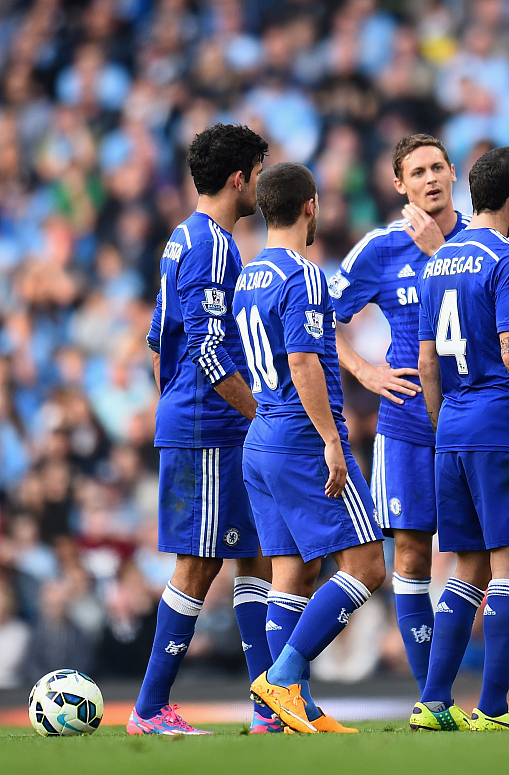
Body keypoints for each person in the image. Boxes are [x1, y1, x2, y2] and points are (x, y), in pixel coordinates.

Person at [411, 146, 509, 732]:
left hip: (451, 426)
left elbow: (426, 362)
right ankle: (496, 706)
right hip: (502, 423)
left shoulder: (438, 261)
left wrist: (442, 422)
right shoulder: (506, 259)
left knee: (466, 569)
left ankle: (432, 701)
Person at [132, 124, 275, 735]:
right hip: (208, 425)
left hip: (199, 418)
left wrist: (172, 397)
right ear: (240, 177)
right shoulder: (216, 247)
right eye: (260, 173)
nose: (262, 186)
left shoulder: (182, 239)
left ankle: (270, 705)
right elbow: (211, 352)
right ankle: (148, 708)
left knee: (255, 556)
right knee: (199, 565)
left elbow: (155, 339)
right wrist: (262, 414)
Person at [236, 162, 386, 734]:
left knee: (291, 574)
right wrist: (329, 437)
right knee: (367, 564)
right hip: (301, 438)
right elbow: (302, 360)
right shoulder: (303, 274)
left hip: (262, 439)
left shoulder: (250, 275)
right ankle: (283, 677)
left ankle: (277, 712)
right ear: (311, 205)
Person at [328, 134, 471, 693]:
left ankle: (497, 695)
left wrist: (441, 252)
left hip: (475, 420)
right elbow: (317, 318)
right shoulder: (380, 249)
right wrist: (364, 371)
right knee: (410, 555)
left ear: (453, 172)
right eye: (418, 172)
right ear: (399, 184)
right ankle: (432, 698)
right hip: (408, 423)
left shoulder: (487, 239)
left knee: (490, 558)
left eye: (438, 167)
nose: (430, 178)